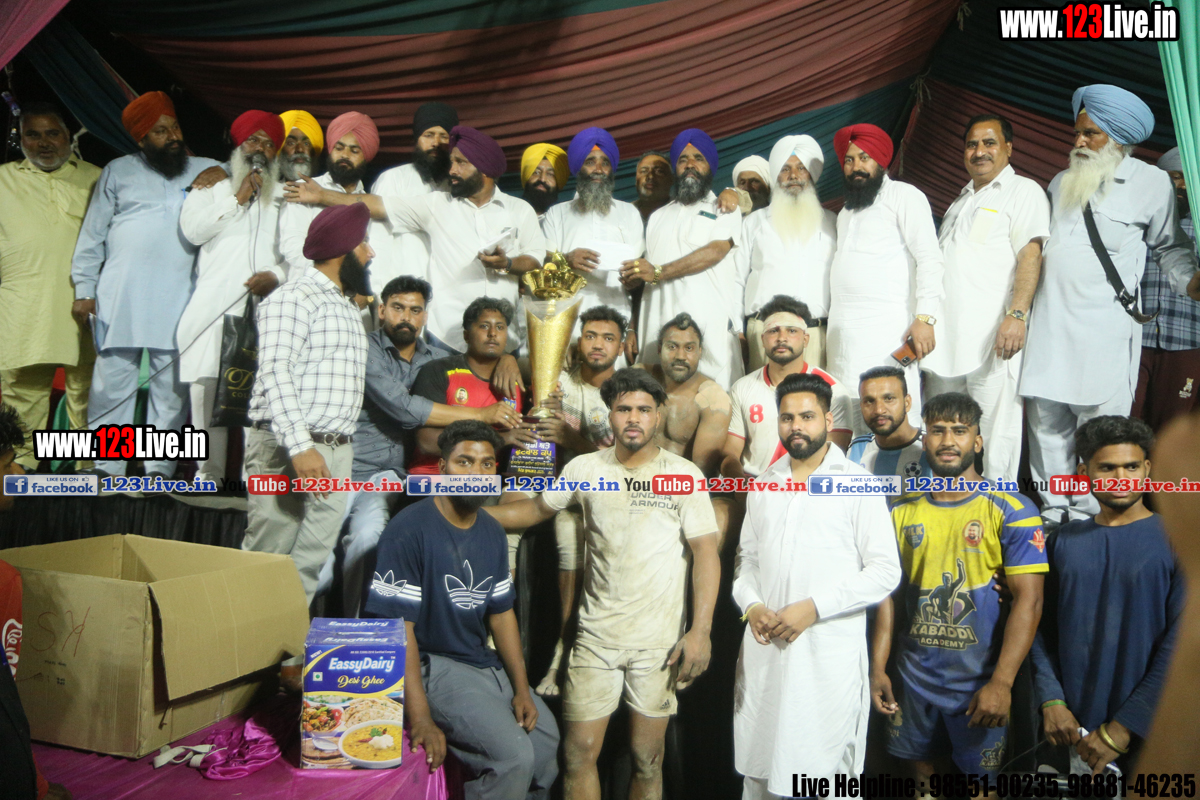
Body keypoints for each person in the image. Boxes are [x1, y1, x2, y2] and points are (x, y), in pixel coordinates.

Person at [486, 368, 721, 800]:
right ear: (609, 415)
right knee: (577, 756)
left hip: (659, 645)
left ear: (658, 415)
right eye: (624, 409)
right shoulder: (585, 468)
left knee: (647, 760)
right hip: (594, 639)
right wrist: (467, 512)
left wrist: (701, 631)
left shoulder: (682, 474)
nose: (634, 418)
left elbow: (706, 552)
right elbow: (534, 511)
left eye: (644, 410)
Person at [1021, 85, 1200, 523]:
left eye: (1091, 134)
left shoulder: (1151, 183)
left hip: (1104, 334)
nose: (1079, 142)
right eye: (1078, 133)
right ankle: (1056, 514)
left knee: (1099, 433)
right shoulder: (1060, 182)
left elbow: (1170, 248)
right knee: (1046, 427)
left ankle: (1091, 519)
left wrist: (1192, 282)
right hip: (1048, 328)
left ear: (1118, 139)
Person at [365, 420, 559, 799]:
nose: (476, 474)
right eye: (464, 462)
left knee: (547, 746)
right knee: (514, 757)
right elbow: (399, 631)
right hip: (434, 665)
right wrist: (421, 718)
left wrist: (522, 689)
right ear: (442, 468)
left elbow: (501, 615)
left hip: (482, 663)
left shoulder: (491, 530)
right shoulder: (409, 529)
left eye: (486, 464)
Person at [733, 372, 900, 798]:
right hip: (766, 653)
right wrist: (752, 605)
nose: (796, 426)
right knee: (761, 772)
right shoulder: (764, 485)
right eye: (787, 418)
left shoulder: (856, 483)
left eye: (807, 417)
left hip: (826, 659)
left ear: (828, 420)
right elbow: (747, 561)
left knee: (824, 776)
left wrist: (814, 607)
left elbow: (885, 571)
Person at [314, 276, 521, 617]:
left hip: (388, 474)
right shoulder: (363, 347)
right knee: (317, 565)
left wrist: (508, 358)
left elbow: (478, 358)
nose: (406, 317)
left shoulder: (437, 359)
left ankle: (362, 632)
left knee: (368, 543)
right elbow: (405, 408)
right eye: (398, 308)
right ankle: (290, 639)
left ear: (425, 316)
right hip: (344, 466)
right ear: (382, 311)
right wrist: (482, 415)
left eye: (415, 310)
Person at [871, 393, 1047, 781]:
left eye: (959, 430)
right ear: (925, 440)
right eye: (937, 430)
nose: (948, 440)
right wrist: (877, 668)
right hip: (912, 680)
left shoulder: (1013, 508)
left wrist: (1002, 683)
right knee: (921, 780)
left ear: (977, 442)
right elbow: (886, 595)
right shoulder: (899, 511)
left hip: (980, 682)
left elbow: (1030, 601)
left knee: (983, 787)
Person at [287, 125, 547, 356]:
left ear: (485, 170)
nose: (452, 170)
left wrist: (508, 263)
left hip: (503, 341)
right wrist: (322, 195)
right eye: (452, 162)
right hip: (448, 339)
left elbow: (535, 259)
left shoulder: (519, 210)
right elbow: (375, 204)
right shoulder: (437, 205)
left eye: (460, 163)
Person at [71, 91, 223, 479]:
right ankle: (108, 468)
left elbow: (254, 178)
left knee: (170, 391)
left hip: (181, 299)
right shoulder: (117, 171)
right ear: (141, 140)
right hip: (120, 297)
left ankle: (158, 470)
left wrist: (229, 174)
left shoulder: (208, 168)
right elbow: (93, 236)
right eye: (160, 131)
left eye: (175, 127)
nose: (172, 137)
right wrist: (84, 290)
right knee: (111, 386)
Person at [1029, 416, 1185, 774]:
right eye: (1107, 468)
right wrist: (1051, 699)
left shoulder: (1179, 538)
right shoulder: (1062, 541)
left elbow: (1183, 644)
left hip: (1150, 736)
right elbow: (1037, 629)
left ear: (1148, 469)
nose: (1120, 478)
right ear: (1084, 473)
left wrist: (1124, 727)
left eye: (1131, 466)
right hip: (1067, 732)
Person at [241, 204, 371, 602]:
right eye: (364, 244)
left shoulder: (345, 305)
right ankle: (242, 643)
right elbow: (275, 371)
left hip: (336, 450)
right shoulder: (294, 297)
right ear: (343, 251)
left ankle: (288, 644)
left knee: (309, 565)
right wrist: (301, 448)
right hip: (288, 448)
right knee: (266, 560)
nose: (370, 253)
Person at [922, 114, 1050, 483]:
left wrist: (1017, 315)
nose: (979, 151)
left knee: (996, 438)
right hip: (945, 345)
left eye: (989, 143)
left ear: (1009, 148)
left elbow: (1030, 255)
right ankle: (947, 506)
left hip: (994, 340)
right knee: (944, 436)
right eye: (972, 144)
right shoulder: (960, 200)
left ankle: (999, 511)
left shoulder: (1023, 191)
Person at [177, 110, 287, 484]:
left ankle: (251, 483)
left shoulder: (285, 198)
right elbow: (193, 231)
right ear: (238, 146)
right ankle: (207, 477)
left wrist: (276, 275)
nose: (260, 149)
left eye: (268, 144)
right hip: (212, 312)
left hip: (264, 314)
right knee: (206, 397)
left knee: (257, 401)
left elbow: (299, 255)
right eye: (253, 140)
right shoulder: (210, 189)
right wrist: (237, 199)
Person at [527, 306, 625, 697]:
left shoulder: (626, 390)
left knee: (585, 542)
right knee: (561, 534)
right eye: (590, 336)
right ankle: (551, 651)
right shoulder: (558, 381)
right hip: (561, 493)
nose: (598, 344)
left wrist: (573, 440)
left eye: (608, 338)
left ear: (621, 346)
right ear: (578, 341)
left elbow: (625, 462)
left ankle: (569, 653)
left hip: (610, 494)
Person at [0, 103, 100, 473]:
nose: (44, 143)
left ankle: (87, 473)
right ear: (21, 139)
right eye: (33, 135)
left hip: (86, 306)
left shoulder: (98, 178)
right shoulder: (3, 179)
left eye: (52, 133)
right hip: (23, 306)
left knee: (87, 392)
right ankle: (19, 471)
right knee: (21, 395)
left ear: (68, 136)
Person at [826, 123, 944, 434]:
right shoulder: (845, 213)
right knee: (848, 416)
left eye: (864, 158)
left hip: (888, 331)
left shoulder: (904, 196)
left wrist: (925, 317)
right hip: (843, 337)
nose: (856, 167)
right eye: (849, 160)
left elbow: (930, 259)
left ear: (880, 161)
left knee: (892, 412)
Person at [634, 128, 744, 389]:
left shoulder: (725, 208)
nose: (690, 165)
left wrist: (658, 272)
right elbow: (645, 270)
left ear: (710, 167)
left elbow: (716, 251)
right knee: (655, 401)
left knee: (714, 402)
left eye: (699, 158)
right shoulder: (658, 216)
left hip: (709, 332)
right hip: (658, 330)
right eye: (683, 160)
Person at [723, 296, 853, 480]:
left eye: (791, 330)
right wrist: (741, 488)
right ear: (763, 339)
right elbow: (730, 454)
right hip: (753, 485)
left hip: (809, 485)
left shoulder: (834, 391)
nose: (781, 338)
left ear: (805, 339)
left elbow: (833, 457)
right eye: (773, 331)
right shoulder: (742, 387)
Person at [736, 135, 835, 372]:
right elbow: (735, 280)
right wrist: (737, 331)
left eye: (801, 168)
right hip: (763, 334)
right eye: (785, 169)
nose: (793, 176)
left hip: (816, 335)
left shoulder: (833, 223)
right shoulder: (754, 222)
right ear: (776, 175)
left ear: (811, 175)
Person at [278, 111, 395, 302]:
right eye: (339, 148)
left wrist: (366, 294)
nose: (344, 155)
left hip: (357, 303)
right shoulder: (304, 189)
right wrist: (338, 281)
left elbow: (376, 256)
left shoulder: (372, 203)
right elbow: (293, 247)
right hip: (308, 297)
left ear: (366, 156)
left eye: (354, 151)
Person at [408, 297, 533, 475]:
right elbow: (426, 442)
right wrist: (501, 438)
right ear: (466, 335)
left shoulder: (517, 381)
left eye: (500, 327)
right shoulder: (438, 370)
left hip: (489, 480)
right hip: (434, 477)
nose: (492, 333)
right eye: (484, 326)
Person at [543, 127, 645, 331]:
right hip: (567, 323)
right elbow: (542, 265)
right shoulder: (557, 213)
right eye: (590, 162)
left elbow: (639, 278)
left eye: (605, 163)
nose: (598, 169)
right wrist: (566, 259)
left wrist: (635, 281)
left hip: (618, 322)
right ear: (578, 168)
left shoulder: (629, 213)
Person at [1135, 147, 1200, 431]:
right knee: (1122, 427)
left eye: (1190, 179)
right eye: (1175, 177)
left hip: (1187, 341)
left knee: (1170, 433)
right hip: (1133, 339)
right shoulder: (1136, 222)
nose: (1182, 185)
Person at [371, 102, 457, 285]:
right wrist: (378, 291)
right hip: (402, 290)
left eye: (444, 136)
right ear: (417, 139)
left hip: (446, 292)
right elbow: (378, 239)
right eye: (428, 135)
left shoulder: (458, 185)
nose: (436, 143)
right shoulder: (394, 179)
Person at [848, 366, 930, 479]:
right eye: (869, 401)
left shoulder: (930, 447)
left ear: (907, 403)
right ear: (861, 406)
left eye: (889, 398)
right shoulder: (856, 449)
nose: (879, 410)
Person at [521, 142, 568, 219]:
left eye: (550, 174)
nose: (542, 179)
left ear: (558, 182)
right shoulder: (511, 212)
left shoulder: (565, 217)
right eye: (536, 172)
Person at [277, 110, 322, 183]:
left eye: (306, 144)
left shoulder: (327, 188)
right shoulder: (268, 189)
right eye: (291, 143)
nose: (300, 149)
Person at [633, 151, 673, 226]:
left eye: (659, 171)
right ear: (636, 179)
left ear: (671, 179)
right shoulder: (625, 213)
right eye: (644, 171)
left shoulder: (681, 212)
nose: (650, 176)